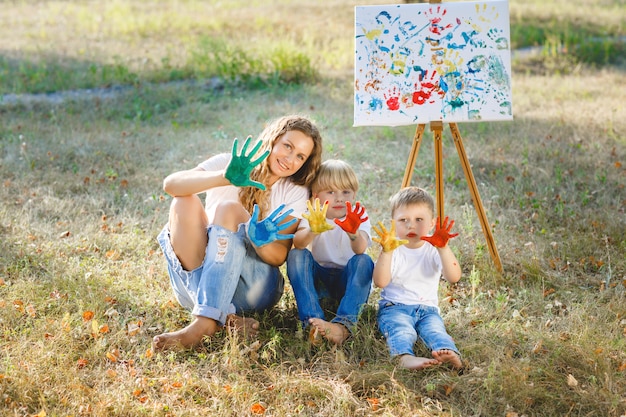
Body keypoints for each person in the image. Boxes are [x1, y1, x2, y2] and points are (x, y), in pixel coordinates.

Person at [153, 115, 323, 351]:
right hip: (197, 284)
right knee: (184, 202)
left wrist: (258, 239)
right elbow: (171, 185)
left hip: (253, 288)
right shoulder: (229, 163)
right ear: (273, 139)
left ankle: (204, 321)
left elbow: (278, 257)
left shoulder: (293, 191)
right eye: (288, 146)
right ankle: (224, 318)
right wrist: (224, 177)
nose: (289, 159)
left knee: (229, 210)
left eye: (300, 156)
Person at [372, 186, 463, 370]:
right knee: (401, 330)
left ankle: (448, 352)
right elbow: (380, 282)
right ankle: (404, 357)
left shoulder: (433, 248)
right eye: (403, 220)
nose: (410, 225)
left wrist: (443, 248)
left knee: (436, 331)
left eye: (418, 219)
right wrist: (386, 252)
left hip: (428, 310)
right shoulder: (393, 248)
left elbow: (454, 277)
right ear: (393, 223)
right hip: (395, 308)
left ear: (432, 223)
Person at [286, 159, 374, 345]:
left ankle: (343, 325)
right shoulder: (314, 214)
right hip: (321, 279)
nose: (339, 198)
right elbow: (299, 243)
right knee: (296, 255)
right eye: (331, 192)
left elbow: (360, 249)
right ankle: (312, 321)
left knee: (364, 261)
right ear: (316, 196)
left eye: (346, 192)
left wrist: (353, 232)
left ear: (354, 194)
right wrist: (313, 230)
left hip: (347, 280)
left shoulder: (358, 215)